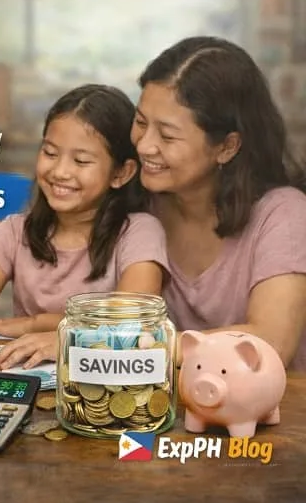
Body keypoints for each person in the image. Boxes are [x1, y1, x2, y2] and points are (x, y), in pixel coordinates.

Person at [0, 84, 170, 369]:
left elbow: (130, 322)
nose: (60, 171)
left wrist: (56, 334)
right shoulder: (15, 231)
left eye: (81, 161)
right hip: (26, 386)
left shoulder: (139, 232)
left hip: (105, 393)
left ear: (121, 173)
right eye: (50, 153)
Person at [130, 36, 306, 370]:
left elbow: (270, 342)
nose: (144, 146)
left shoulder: (284, 214)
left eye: (167, 136)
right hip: (171, 411)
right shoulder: (139, 203)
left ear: (227, 147)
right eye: (140, 123)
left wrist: (120, 346)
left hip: (274, 415)